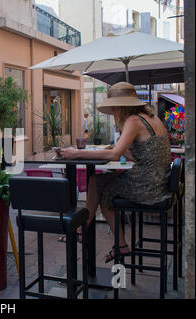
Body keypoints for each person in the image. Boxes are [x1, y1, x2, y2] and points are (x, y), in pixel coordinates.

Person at [59, 82, 171, 263]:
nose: (112, 111)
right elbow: (144, 155)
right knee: (98, 182)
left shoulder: (133, 120)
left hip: (147, 184)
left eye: (114, 107)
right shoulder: (152, 118)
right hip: (158, 181)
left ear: (121, 106)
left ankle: (84, 230)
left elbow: (114, 154)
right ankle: (109, 240)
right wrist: (122, 147)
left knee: (100, 186)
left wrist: (76, 153)